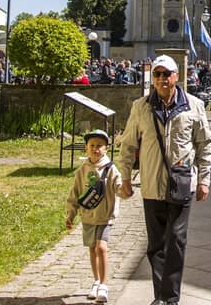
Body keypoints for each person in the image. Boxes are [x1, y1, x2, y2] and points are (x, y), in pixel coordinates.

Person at [118, 55, 211, 305]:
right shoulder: (141, 107)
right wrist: (125, 177)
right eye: (157, 74)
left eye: (166, 74)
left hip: (182, 183)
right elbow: (128, 145)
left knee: (176, 241)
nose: (161, 79)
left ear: (176, 76)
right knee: (156, 245)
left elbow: (204, 145)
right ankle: (161, 296)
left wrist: (204, 179)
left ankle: (170, 298)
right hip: (151, 184)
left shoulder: (194, 105)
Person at [65, 129, 122, 303]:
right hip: (88, 216)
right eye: (92, 146)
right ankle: (96, 281)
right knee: (92, 248)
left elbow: (119, 186)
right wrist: (70, 214)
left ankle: (104, 285)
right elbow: (75, 193)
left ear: (106, 148)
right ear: (86, 148)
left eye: (99, 146)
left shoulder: (111, 169)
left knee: (101, 248)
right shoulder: (82, 170)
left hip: (105, 216)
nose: (95, 149)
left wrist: (124, 189)